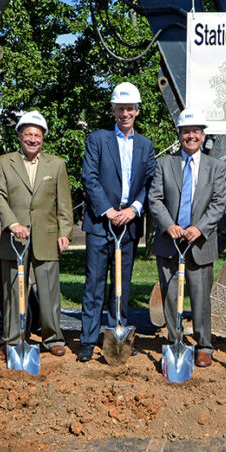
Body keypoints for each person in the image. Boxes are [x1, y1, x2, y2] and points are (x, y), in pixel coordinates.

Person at [78, 82, 155, 362]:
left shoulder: (146, 145)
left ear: (137, 111)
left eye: (130, 109)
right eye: (120, 108)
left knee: (121, 288)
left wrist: (134, 209)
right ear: (113, 110)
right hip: (101, 224)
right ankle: (87, 340)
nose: (125, 113)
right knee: (94, 284)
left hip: (130, 224)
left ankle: (118, 338)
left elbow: (149, 182)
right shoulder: (98, 139)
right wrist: (108, 211)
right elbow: (89, 177)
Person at [0, 111, 73, 360]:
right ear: (19, 136)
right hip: (15, 237)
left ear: (43, 138)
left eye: (37, 135)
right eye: (28, 134)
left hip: (47, 236)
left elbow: (64, 203)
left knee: (49, 292)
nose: (33, 139)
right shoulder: (3, 163)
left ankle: (53, 338)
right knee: (14, 291)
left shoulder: (56, 164)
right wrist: (12, 223)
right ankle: (14, 340)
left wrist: (65, 232)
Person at [148, 108, 226, 368]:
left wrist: (200, 228)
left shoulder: (216, 167)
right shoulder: (164, 164)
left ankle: (204, 344)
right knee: (171, 295)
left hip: (200, 243)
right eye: (186, 131)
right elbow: (155, 198)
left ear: (203, 136)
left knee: (200, 296)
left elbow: (219, 202)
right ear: (179, 134)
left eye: (195, 131)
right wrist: (168, 224)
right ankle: (175, 341)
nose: (191, 136)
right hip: (169, 241)